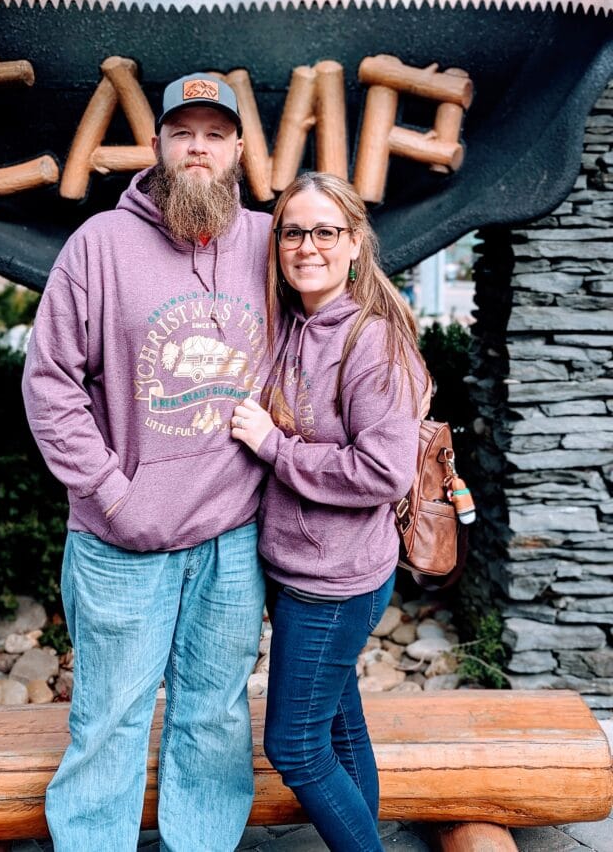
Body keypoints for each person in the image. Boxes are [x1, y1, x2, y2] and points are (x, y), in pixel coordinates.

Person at [22, 73, 273, 852]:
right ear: (158, 144)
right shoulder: (98, 245)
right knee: (109, 721)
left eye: (215, 133)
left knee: (214, 717)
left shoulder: (270, 241)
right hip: (121, 542)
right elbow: (49, 381)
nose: (198, 147)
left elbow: (340, 334)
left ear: (236, 149)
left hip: (233, 540)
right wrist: (110, 494)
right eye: (182, 132)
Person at [231, 172, 428, 852]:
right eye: (293, 231)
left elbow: (383, 470)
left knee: (295, 746)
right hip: (301, 570)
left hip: (335, 583)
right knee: (341, 728)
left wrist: (274, 448)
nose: (306, 245)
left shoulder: (372, 341)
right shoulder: (293, 323)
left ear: (353, 244)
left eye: (324, 231)